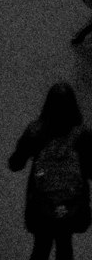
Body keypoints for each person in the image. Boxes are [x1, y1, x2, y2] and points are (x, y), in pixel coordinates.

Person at [9, 82, 92, 260]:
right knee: (65, 247)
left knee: (41, 247)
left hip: (41, 205)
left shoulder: (36, 131)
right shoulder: (82, 135)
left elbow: (15, 164)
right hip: (70, 206)